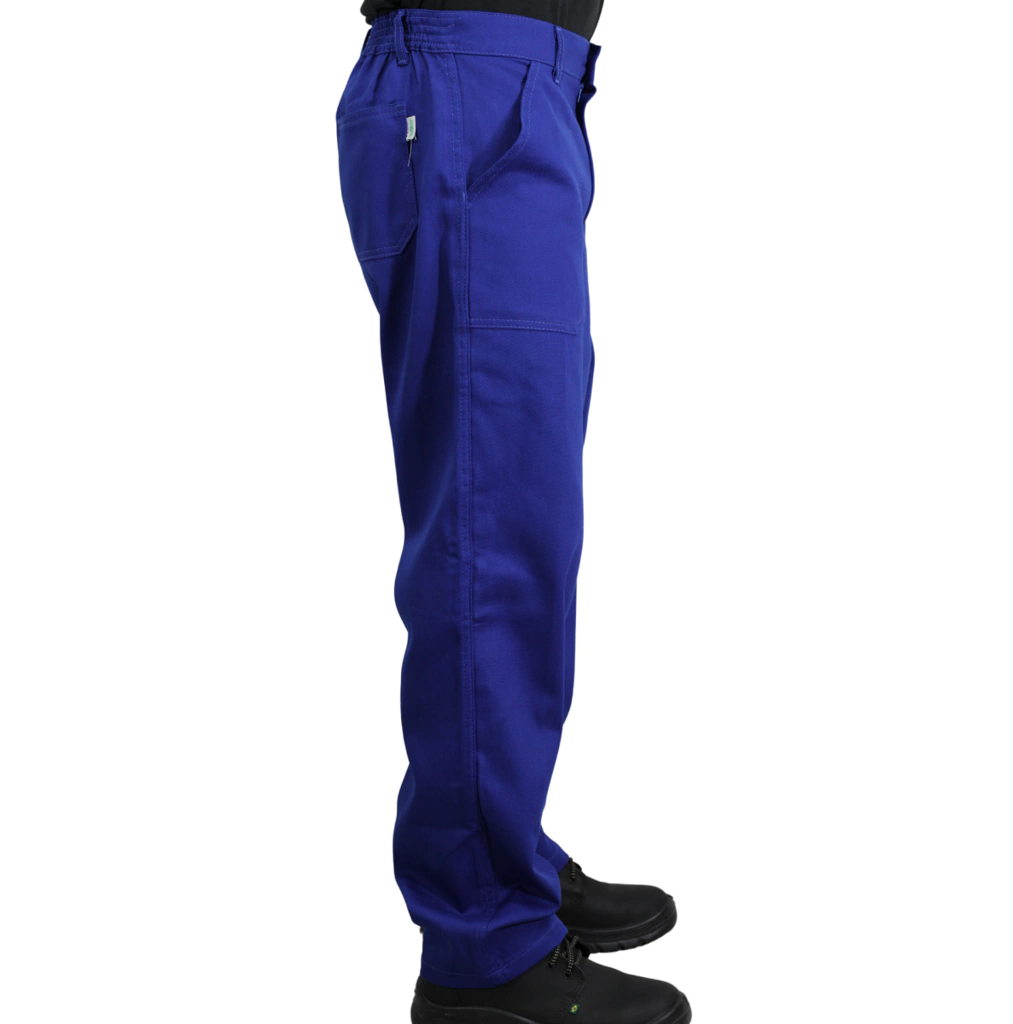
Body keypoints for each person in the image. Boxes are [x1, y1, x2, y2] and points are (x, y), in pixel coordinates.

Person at [336, 3, 692, 1020]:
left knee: (520, 518)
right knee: (491, 543)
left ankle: (504, 854)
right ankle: (482, 940)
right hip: (475, 83)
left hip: (519, 87)